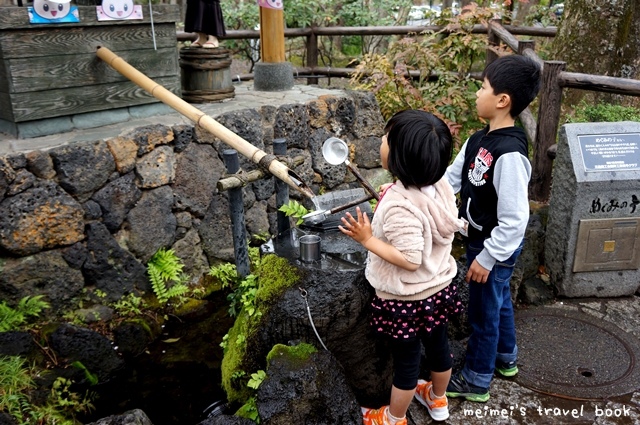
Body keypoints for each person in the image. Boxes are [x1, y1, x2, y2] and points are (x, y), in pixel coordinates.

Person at [339, 109, 465, 424]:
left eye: (386, 139)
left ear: (400, 157)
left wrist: (368, 239)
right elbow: (423, 213)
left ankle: (393, 419)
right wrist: (393, 191)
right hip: (438, 289)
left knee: (407, 364)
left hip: (408, 300)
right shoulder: (439, 185)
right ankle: (438, 401)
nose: (381, 142)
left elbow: (410, 259)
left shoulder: (399, 205)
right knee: (439, 350)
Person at [444, 54, 542, 402]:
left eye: (482, 87)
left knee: (483, 312)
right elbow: (450, 179)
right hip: (480, 240)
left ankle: (476, 379)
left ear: (502, 100)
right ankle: (505, 358)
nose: (476, 93)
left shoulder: (510, 155)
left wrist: (487, 258)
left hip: (494, 246)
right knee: (498, 303)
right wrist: (414, 185)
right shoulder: (478, 139)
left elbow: (516, 218)